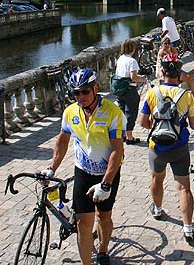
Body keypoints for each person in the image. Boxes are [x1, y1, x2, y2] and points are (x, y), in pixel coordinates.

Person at [43, 68, 124, 265]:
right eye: (76, 92)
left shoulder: (112, 112)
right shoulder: (70, 112)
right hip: (83, 172)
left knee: (104, 216)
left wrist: (106, 184)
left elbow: (117, 150)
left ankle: (103, 251)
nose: (80, 96)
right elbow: (62, 141)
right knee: (83, 223)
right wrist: (52, 168)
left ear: (95, 89)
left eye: (85, 91)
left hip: (107, 173)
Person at [139, 54, 194, 244]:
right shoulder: (186, 95)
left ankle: (157, 209)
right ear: (179, 74)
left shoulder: (152, 93)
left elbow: (143, 122)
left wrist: (158, 128)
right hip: (179, 146)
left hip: (157, 147)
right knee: (184, 187)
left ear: (163, 72)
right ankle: (188, 227)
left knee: (157, 178)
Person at [114, 39, 147, 144]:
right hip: (129, 89)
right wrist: (143, 79)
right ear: (132, 49)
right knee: (131, 113)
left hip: (119, 89)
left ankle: (122, 134)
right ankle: (129, 136)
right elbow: (133, 77)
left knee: (122, 112)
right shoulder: (132, 61)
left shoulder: (120, 59)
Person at [156, 36, 194, 101]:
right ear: (162, 44)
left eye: (169, 43)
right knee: (188, 78)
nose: (167, 45)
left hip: (175, 70)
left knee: (190, 77)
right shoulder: (161, 52)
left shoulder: (173, 49)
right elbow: (163, 66)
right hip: (166, 72)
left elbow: (177, 61)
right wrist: (168, 53)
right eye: (165, 43)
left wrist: (170, 52)